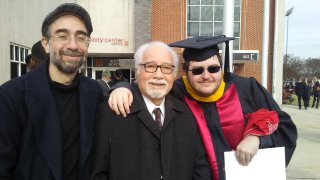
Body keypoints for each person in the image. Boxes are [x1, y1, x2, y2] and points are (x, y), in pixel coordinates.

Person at [108, 35, 297, 180]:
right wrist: (121, 87)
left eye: (213, 69)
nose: (206, 76)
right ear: (184, 72)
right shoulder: (177, 92)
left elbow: (284, 126)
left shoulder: (245, 89)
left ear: (222, 69)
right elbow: (146, 86)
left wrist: (257, 139)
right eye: (197, 70)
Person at [0, 3, 103, 180]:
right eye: (63, 36)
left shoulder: (94, 92)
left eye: (81, 37)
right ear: (46, 44)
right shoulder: (11, 96)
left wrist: (123, 88)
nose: (73, 45)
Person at [91, 41, 211, 179]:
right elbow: (98, 172)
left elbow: (200, 169)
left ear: (174, 75)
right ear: (137, 71)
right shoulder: (111, 112)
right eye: (150, 66)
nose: (158, 75)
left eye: (166, 68)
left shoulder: (186, 115)